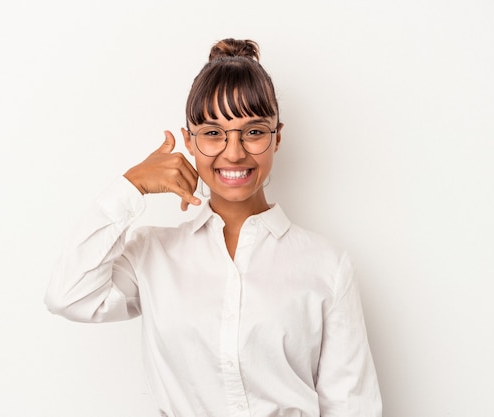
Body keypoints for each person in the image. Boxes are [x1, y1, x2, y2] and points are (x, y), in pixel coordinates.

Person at [45, 38, 382, 417]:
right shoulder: (152, 253)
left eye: (253, 132)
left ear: (277, 137)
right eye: (213, 132)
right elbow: (67, 295)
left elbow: (352, 405)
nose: (234, 152)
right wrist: (132, 185)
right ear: (188, 140)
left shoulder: (327, 265)